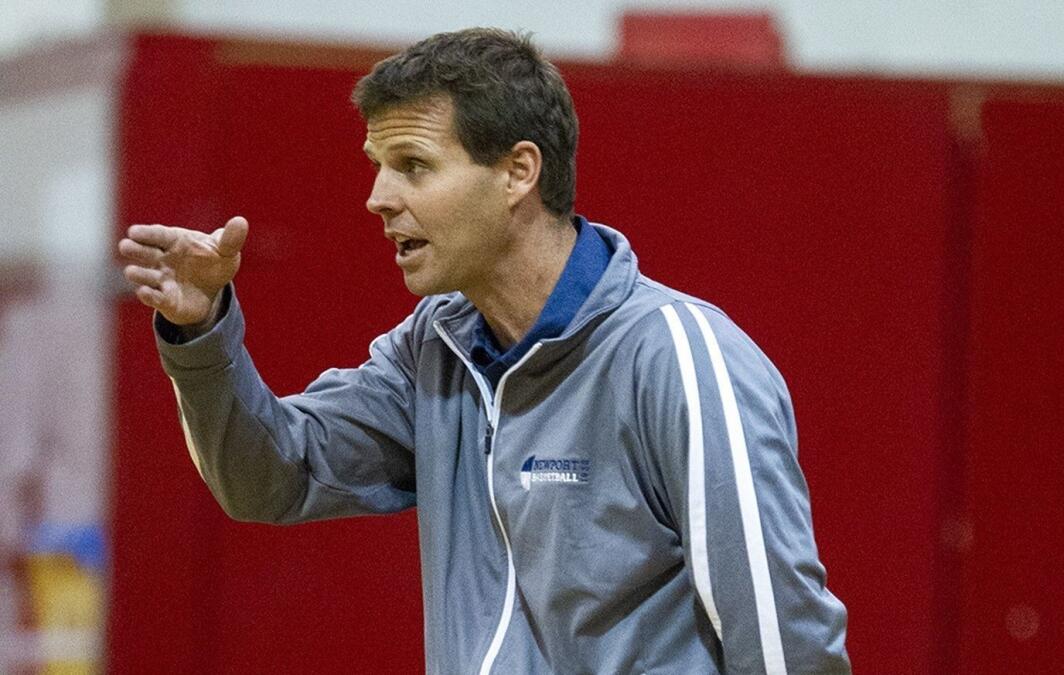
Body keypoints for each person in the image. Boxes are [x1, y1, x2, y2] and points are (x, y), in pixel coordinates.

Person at [118, 27, 850, 674]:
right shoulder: (431, 348)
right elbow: (271, 475)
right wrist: (200, 330)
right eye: (376, 163)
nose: (377, 196)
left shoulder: (681, 358)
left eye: (412, 164)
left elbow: (785, 648)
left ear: (518, 172)